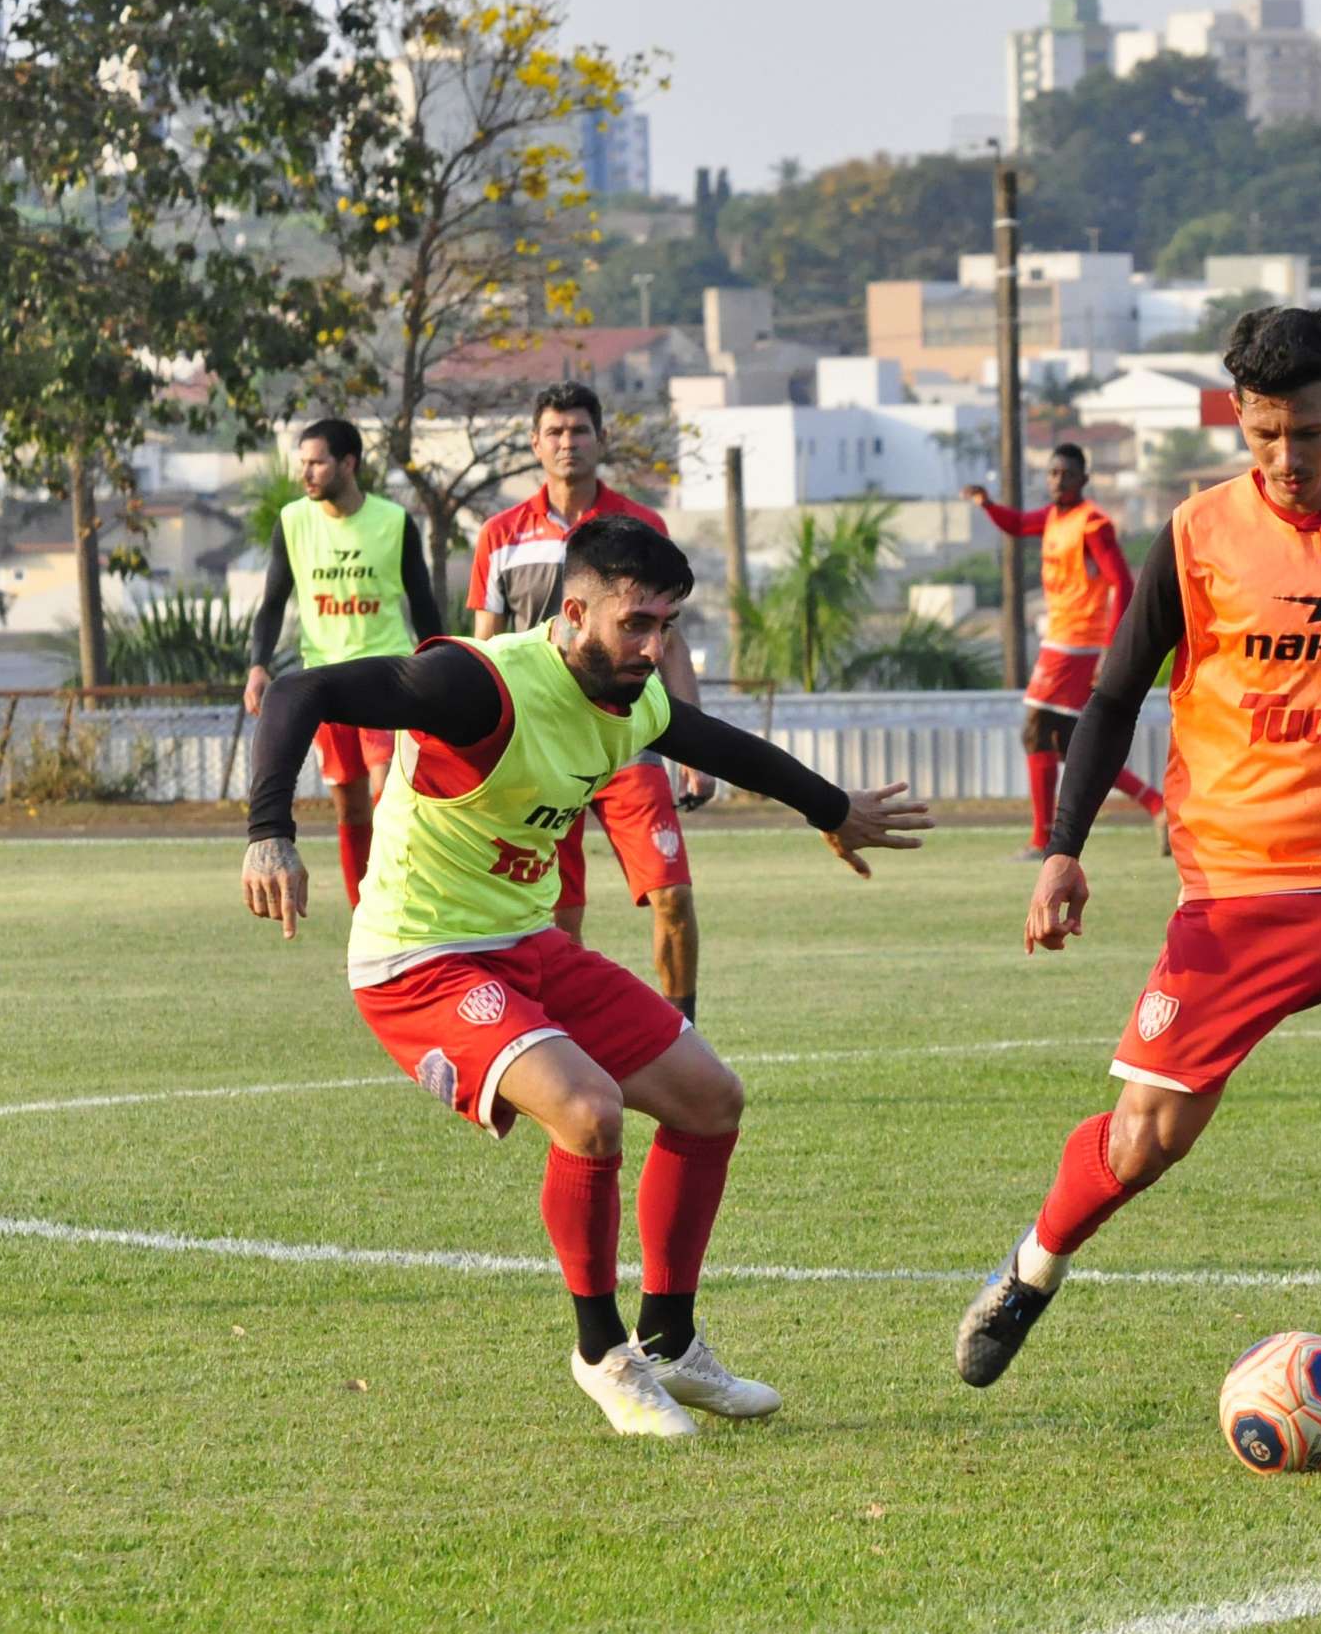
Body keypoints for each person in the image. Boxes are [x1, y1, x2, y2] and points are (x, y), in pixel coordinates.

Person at [951, 308, 1321, 1466]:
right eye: (1264, 433)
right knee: (1145, 1141)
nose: (1285, 459)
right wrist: (1065, 846)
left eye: (1307, 433)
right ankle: (1029, 1269)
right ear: (1240, 418)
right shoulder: (1195, 533)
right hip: (1237, 888)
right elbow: (1112, 696)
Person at [242, 515, 929, 1436]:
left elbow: (711, 740)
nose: (653, 648)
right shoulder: (476, 686)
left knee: (710, 1097)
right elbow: (300, 690)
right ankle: (604, 1354)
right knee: (588, 1109)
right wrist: (269, 835)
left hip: (524, 943)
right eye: (634, 625)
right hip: (419, 960)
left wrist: (831, 807)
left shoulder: (628, 695)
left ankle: (672, 1341)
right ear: (573, 612)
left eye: (667, 627)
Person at [468, 382, 709, 1020]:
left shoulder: (640, 528)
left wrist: (696, 747)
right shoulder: (500, 535)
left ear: (600, 439)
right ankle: (565, 1053)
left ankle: (685, 1039)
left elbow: (672, 642)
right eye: (555, 432)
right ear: (534, 444)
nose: (567, 442)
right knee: (557, 923)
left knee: (673, 897)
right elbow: (485, 650)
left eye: (579, 430)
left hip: (628, 741)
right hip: (541, 749)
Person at [244, 418, 444, 909]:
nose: (306, 474)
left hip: (389, 678)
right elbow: (272, 602)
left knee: (387, 794)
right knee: (351, 806)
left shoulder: (394, 522)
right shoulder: (293, 521)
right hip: (325, 687)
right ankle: (366, 915)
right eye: (303, 464)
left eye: (316, 463)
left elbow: (423, 604)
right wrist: (257, 665)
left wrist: (441, 662)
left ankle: (402, 900)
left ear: (348, 464)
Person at [965, 445, 1169, 860]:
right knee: (1072, 743)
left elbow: (1122, 584)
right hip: (1061, 639)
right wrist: (987, 505)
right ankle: (1156, 805)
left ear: (1083, 479)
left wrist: (1110, 650)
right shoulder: (1055, 517)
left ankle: (1042, 841)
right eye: (1053, 472)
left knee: (1038, 731)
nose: (1058, 480)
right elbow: (1019, 524)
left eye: (1066, 473)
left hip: (1076, 644)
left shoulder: (1093, 524)